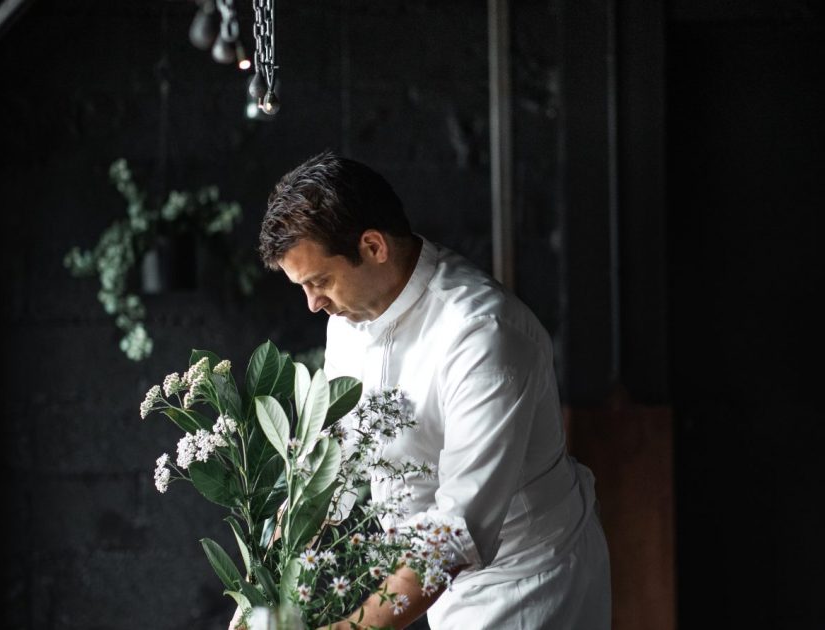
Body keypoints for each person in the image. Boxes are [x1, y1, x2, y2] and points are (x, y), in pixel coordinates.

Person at [253, 150, 611, 629]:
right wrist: (274, 568)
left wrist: (345, 629)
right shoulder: (348, 316)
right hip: (432, 578)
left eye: (319, 281)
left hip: (527, 580)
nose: (313, 304)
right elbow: (339, 451)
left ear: (373, 247)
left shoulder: (483, 333)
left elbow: (457, 530)